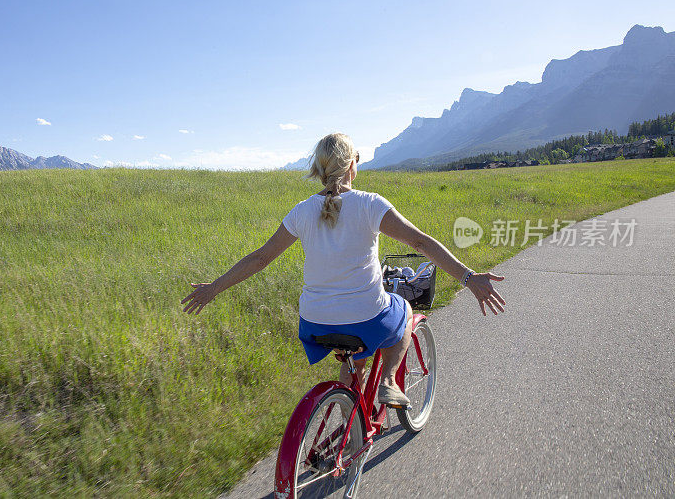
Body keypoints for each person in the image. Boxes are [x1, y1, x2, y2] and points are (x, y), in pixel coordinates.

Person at [181, 133, 505, 406]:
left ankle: (346, 429)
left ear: (319, 170)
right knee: (404, 310)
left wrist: (214, 289)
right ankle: (390, 381)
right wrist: (468, 277)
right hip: (364, 314)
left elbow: (260, 258)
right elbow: (421, 242)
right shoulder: (370, 204)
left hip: (314, 322)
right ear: (352, 164)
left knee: (355, 352)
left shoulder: (301, 211)